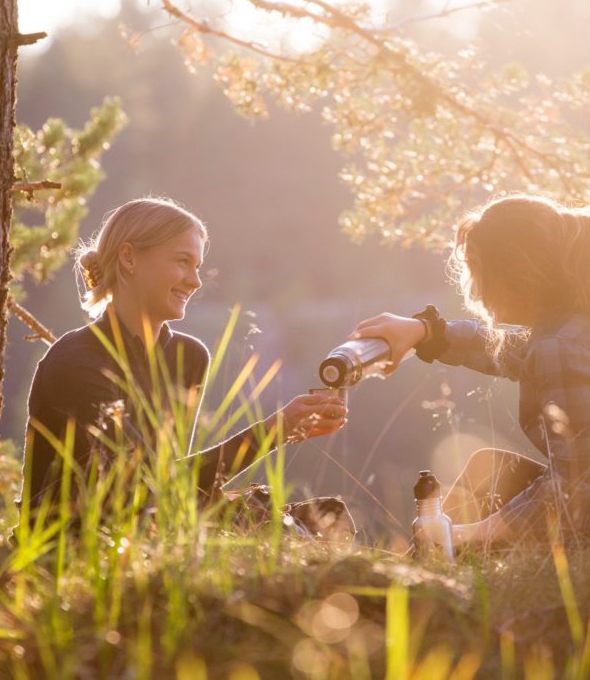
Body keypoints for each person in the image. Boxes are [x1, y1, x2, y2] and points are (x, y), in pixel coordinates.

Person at [352, 194, 590, 546]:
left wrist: (471, 534)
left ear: (514, 275)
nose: (473, 289)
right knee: (486, 466)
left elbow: (574, 486)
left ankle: (430, 573)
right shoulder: (583, 323)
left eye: (478, 271)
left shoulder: (561, 347)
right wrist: (425, 333)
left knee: (477, 500)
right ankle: (433, 566)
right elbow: (510, 350)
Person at [22, 197, 348, 522]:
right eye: (182, 261)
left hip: (152, 535)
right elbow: (138, 486)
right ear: (129, 257)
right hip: (72, 558)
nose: (195, 280)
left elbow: (174, 485)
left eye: (197, 266)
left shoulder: (187, 357)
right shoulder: (77, 362)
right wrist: (273, 431)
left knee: (329, 517)